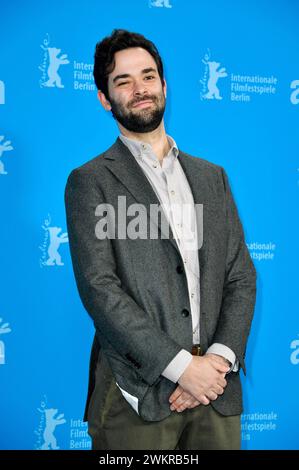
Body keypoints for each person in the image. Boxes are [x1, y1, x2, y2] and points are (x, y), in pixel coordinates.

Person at [64, 29, 257, 450]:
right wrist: (181, 367)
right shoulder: (90, 182)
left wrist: (217, 363)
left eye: (148, 76)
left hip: (216, 390)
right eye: (123, 81)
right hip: (138, 394)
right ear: (104, 97)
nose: (140, 89)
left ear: (164, 85)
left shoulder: (212, 177)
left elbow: (240, 275)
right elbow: (100, 289)